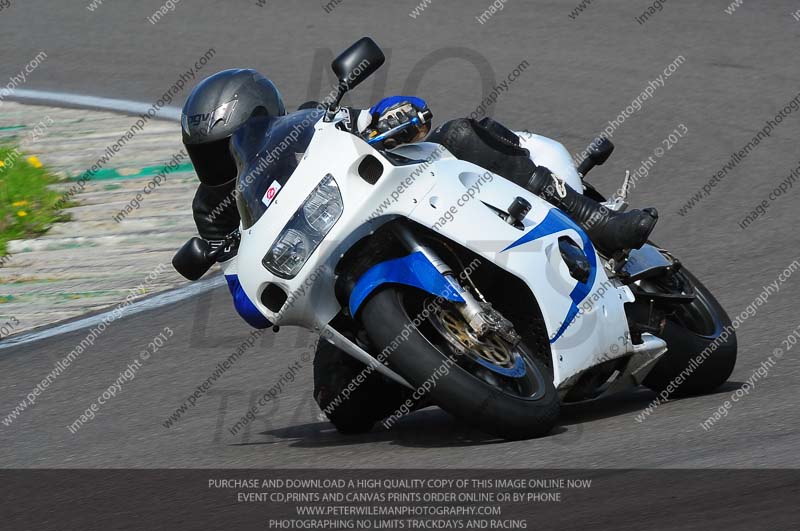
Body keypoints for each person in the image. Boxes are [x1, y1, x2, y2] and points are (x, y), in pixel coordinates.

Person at [180, 69, 658, 433]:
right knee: (340, 404)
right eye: (209, 154)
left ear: (266, 120)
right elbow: (252, 305)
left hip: (410, 207)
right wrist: (225, 254)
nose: (224, 161)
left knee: (458, 136)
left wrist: (397, 115)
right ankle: (451, 372)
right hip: (341, 280)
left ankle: (594, 220)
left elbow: (397, 112)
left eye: (228, 146)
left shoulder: (315, 123)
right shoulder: (215, 210)